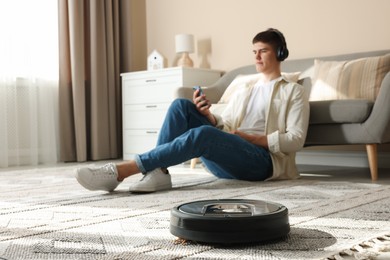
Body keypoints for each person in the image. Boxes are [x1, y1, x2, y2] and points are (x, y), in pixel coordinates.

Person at [75, 28, 310, 193]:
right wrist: (208, 115)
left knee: (204, 136)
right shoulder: (245, 89)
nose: (256, 56)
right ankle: (159, 172)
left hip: (262, 163)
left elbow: (296, 140)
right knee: (182, 106)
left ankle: (121, 171)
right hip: (229, 157)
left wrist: (251, 138)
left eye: (264, 51)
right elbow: (224, 125)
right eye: (254, 51)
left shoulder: (293, 92)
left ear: (279, 53)